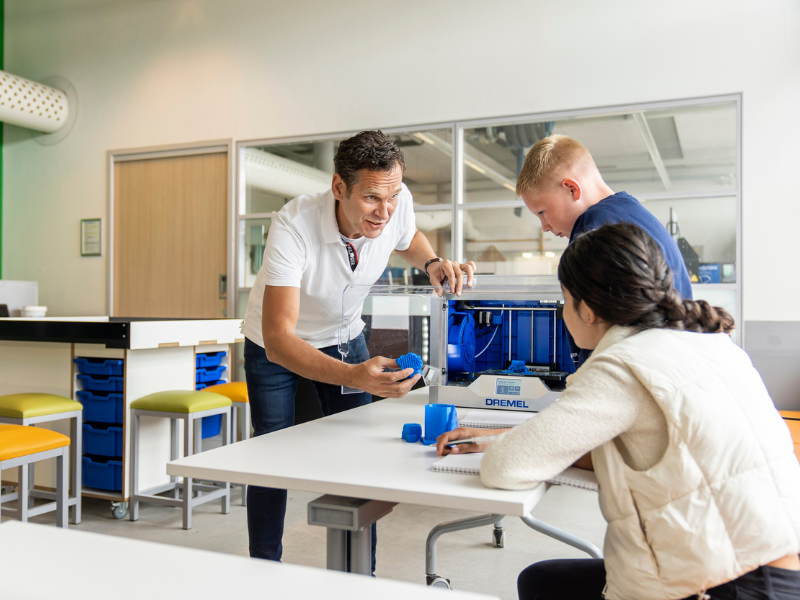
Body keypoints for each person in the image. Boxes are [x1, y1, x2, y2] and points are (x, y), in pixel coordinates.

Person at [437, 222, 800, 600]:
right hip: (776, 565)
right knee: (543, 581)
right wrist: (504, 436)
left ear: (588, 310)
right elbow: (663, 453)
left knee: (545, 584)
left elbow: (504, 469)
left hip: (727, 584)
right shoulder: (710, 343)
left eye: (564, 299)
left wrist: (511, 446)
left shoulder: (622, 364)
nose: (562, 313)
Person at [241, 130, 475, 568]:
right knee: (270, 454)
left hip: (346, 333)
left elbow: (407, 236)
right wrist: (351, 375)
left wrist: (432, 263)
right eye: (371, 199)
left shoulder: (393, 201)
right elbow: (278, 338)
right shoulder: (294, 225)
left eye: (391, 197)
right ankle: (263, 567)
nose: (384, 211)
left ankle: (357, 566)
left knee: (358, 446)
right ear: (338, 188)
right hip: (275, 344)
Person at [516, 134, 692, 366]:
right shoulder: (631, 212)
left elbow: (600, 330)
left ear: (571, 188)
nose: (545, 227)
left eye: (542, 212)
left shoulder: (595, 230)